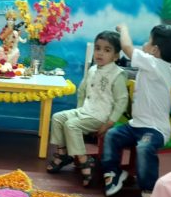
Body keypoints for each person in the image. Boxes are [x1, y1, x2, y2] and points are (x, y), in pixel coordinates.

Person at [102, 24, 171, 197]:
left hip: (154, 130)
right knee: (112, 135)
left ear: (155, 50)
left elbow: (126, 47)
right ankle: (114, 173)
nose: (144, 44)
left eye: (148, 41)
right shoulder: (154, 64)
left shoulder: (156, 65)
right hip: (136, 125)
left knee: (144, 147)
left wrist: (124, 29)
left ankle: (149, 192)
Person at [47, 31, 128, 186]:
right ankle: (63, 154)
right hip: (85, 111)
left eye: (107, 50)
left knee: (71, 125)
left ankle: (84, 161)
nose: (100, 53)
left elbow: (122, 101)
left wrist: (109, 123)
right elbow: (82, 90)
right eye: (97, 48)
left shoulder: (117, 74)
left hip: (101, 116)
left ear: (116, 56)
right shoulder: (92, 69)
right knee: (58, 118)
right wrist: (79, 110)